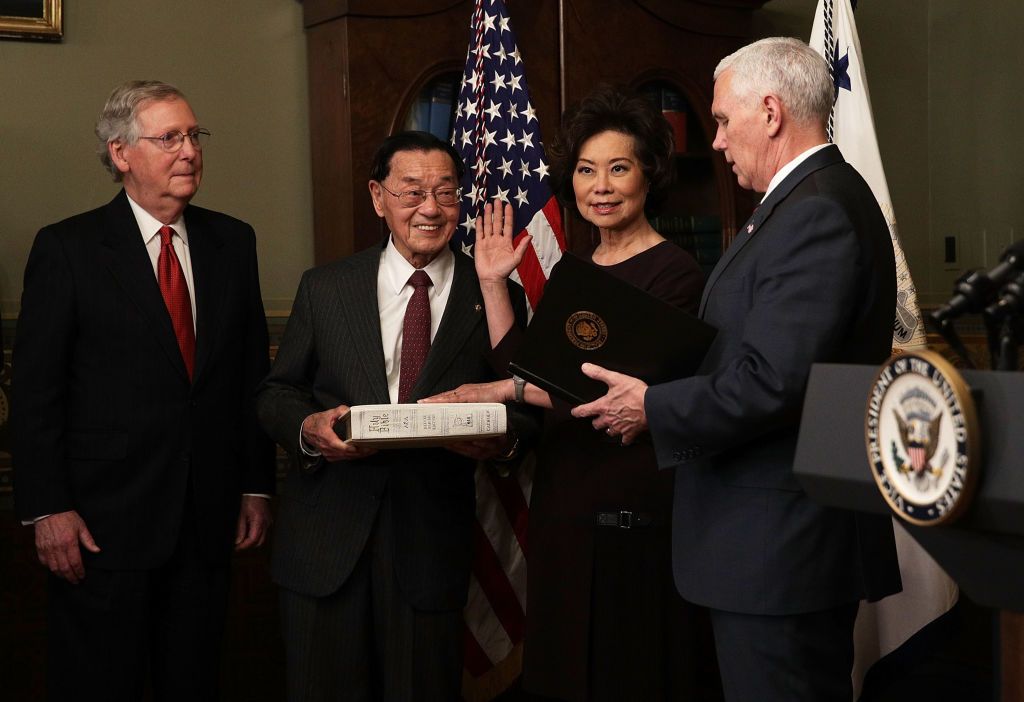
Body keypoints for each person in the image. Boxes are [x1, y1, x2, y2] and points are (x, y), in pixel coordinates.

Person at [571, 38, 903, 701]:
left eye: (723, 120)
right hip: (769, 547)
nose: (716, 141)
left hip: (783, 550)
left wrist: (652, 407)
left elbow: (771, 380)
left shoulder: (815, 211)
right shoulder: (802, 203)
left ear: (771, 113)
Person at [426, 86, 716, 700]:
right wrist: (494, 283)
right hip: (563, 509)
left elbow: (600, 400)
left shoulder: (676, 274)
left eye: (618, 168)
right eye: (587, 170)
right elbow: (532, 366)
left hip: (632, 514)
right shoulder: (573, 270)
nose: (601, 186)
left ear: (649, 175)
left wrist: (501, 388)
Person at [12, 80, 275, 701]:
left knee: (194, 680)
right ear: (121, 153)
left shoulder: (233, 242)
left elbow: (248, 380)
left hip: (207, 519)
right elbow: (35, 391)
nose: (189, 151)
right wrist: (47, 507)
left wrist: (256, 484)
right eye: (169, 138)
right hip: (101, 526)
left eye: (193, 135)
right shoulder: (68, 248)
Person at [255, 131, 538, 701]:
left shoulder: (494, 294)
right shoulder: (326, 288)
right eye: (411, 192)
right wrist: (308, 432)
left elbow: (528, 409)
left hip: (430, 545)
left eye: (446, 193)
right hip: (325, 542)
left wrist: (499, 443)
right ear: (378, 197)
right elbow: (277, 393)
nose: (430, 209)